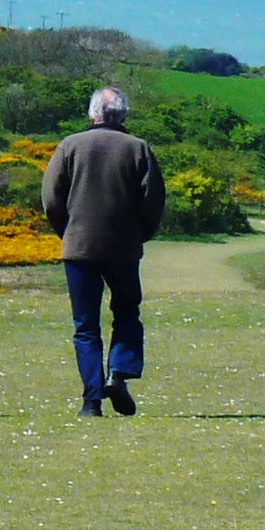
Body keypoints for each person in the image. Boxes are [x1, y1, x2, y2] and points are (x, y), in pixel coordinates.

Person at [42, 87, 167, 417]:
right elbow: (153, 203)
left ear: (92, 114)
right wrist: (139, 235)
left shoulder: (69, 146)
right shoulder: (139, 148)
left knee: (85, 326)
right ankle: (118, 374)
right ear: (123, 115)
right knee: (126, 312)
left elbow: (51, 198)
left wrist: (67, 231)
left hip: (78, 248)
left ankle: (91, 401)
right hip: (124, 248)